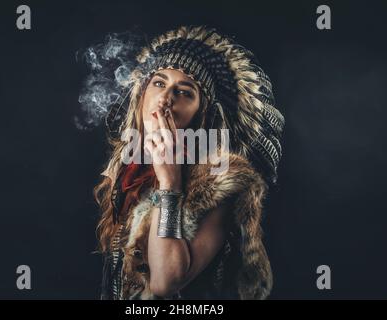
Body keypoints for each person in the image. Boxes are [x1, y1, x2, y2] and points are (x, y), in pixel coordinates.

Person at [94, 25, 284, 300]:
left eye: (184, 92)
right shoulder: (129, 170)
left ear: (203, 114)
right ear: (142, 94)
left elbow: (164, 283)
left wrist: (170, 183)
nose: (165, 99)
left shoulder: (219, 181)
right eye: (159, 83)